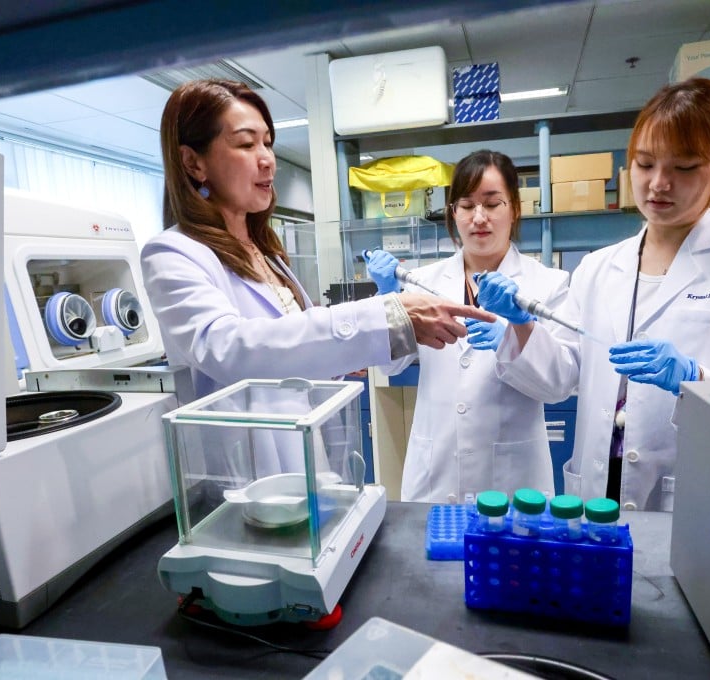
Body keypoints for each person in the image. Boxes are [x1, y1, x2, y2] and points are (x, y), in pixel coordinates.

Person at [477, 77, 710, 512]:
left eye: (684, 167)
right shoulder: (598, 267)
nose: (658, 184)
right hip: (596, 492)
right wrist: (521, 327)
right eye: (645, 164)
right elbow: (560, 379)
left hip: (694, 495)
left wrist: (694, 378)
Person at [140, 79, 494, 476]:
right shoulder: (173, 253)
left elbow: (288, 347)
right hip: (248, 476)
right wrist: (380, 318)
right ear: (193, 163)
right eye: (245, 144)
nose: (267, 159)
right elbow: (227, 348)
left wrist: (345, 354)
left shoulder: (267, 253)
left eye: (268, 143)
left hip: (306, 461)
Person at [365, 150, 570, 502]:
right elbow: (389, 365)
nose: (479, 218)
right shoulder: (420, 282)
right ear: (453, 213)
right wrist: (388, 300)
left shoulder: (548, 284)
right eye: (466, 205)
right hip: (438, 470)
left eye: (492, 204)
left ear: (515, 208)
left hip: (513, 478)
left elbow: (558, 387)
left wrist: (517, 332)